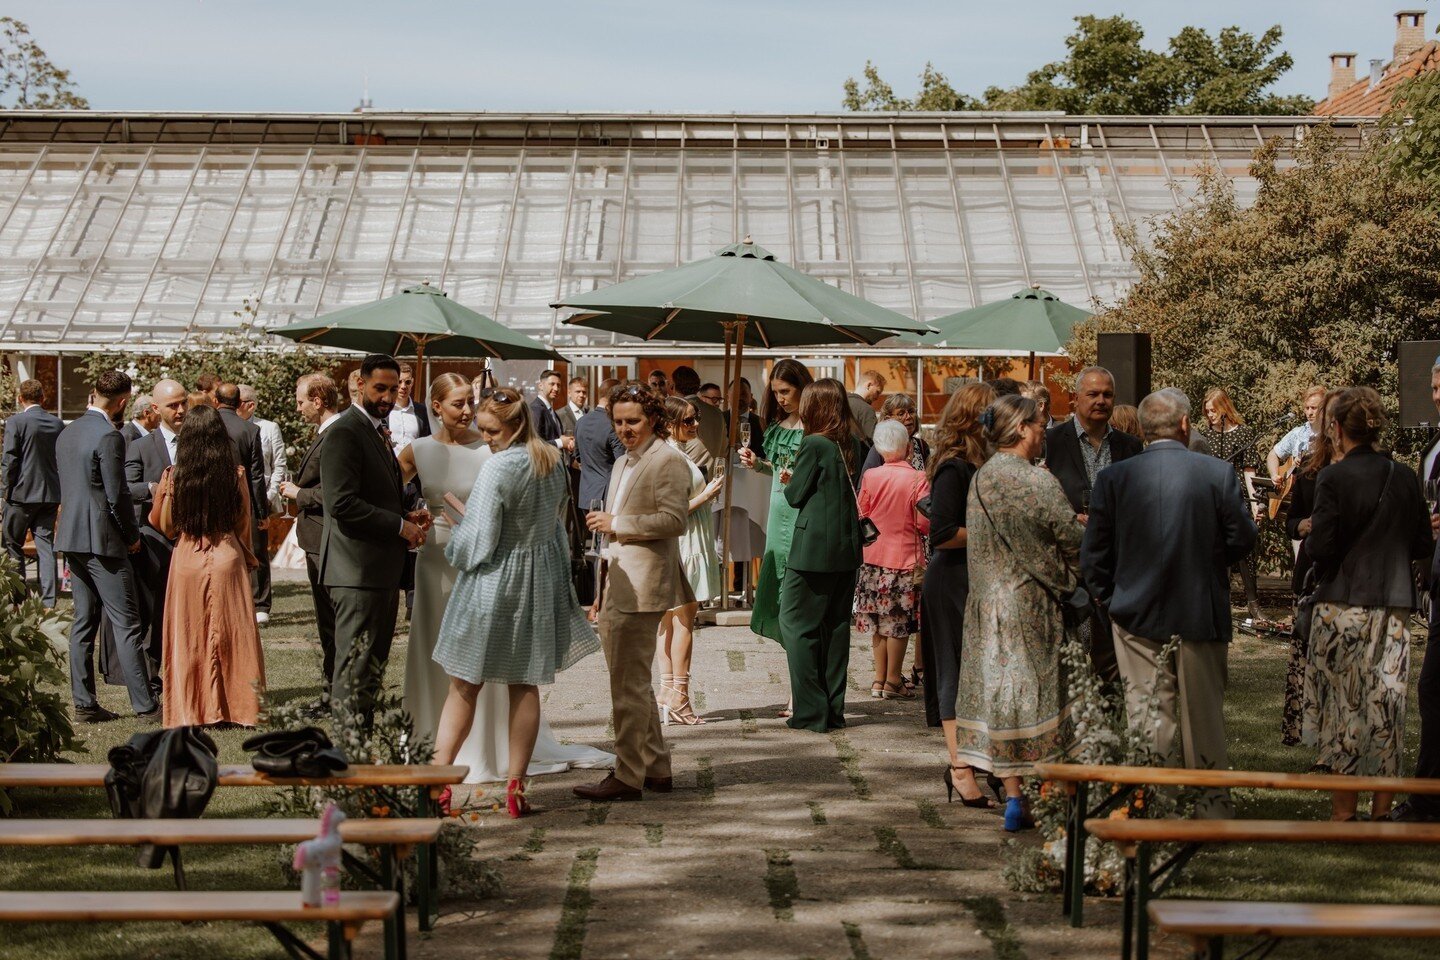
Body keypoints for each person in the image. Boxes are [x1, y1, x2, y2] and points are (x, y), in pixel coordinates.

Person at [1080, 388, 1257, 818]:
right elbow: (1243, 538)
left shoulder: (1114, 478)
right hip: (1199, 606)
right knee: (1203, 716)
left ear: (1141, 430)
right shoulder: (1216, 473)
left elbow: (1095, 551)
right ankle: (1213, 807)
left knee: (1147, 712)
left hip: (1133, 608)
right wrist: (1210, 564)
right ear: (1184, 425)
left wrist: (1106, 596)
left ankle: (1155, 804)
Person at [1302, 386, 1432, 821]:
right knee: (1386, 704)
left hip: (1343, 604)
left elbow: (1321, 547)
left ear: (1336, 429)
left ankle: (1343, 811)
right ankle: (1381, 808)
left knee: (1344, 705)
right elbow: (1421, 542)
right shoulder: (1405, 476)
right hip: (1394, 603)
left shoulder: (1332, 478)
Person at [957, 394, 1082, 832]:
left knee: (999, 699)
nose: (1045, 428)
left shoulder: (981, 479)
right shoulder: (1038, 481)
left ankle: (1013, 798)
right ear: (1022, 428)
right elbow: (1070, 538)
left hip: (985, 604)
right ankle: (1054, 797)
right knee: (1041, 698)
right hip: (1029, 605)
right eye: (1040, 422)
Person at [576, 383, 692, 802]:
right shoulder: (624, 461)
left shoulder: (667, 460)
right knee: (633, 682)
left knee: (626, 686)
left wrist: (617, 524)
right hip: (618, 579)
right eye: (619, 421)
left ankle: (627, 776)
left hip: (644, 585)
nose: (625, 429)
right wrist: (601, 587)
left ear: (654, 420)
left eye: (633, 421)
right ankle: (657, 768)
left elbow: (674, 520)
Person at [319, 354, 429, 722]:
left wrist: (406, 515)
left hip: (378, 572)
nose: (386, 396)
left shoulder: (375, 430)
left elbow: (375, 495)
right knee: (355, 667)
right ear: (360, 385)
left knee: (371, 667)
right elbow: (342, 503)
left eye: (392, 389)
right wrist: (399, 527)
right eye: (379, 388)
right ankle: (346, 756)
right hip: (356, 574)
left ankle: (359, 752)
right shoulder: (345, 431)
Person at [147, 404, 266, 727]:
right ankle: (238, 708)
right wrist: (248, 556)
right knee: (233, 635)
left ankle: (192, 708)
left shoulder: (174, 476)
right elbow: (244, 522)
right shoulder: (235, 474)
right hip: (227, 554)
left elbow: (166, 526)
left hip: (187, 558)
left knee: (189, 636)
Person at [55, 370, 159, 723]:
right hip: (102, 541)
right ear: (123, 401)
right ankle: (146, 706)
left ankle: (84, 703)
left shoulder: (66, 432)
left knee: (83, 623)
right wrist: (131, 538)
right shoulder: (109, 436)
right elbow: (117, 497)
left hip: (71, 537)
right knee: (127, 624)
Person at [920, 382, 996, 806]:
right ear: (976, 418)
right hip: (952, 580)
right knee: (955, 672)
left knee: (980, 676)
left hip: (976, 578)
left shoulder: (982, 463)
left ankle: (980, 762)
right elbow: (943, 533)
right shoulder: (955, 466)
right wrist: (998, 530)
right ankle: (959, 768)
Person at [1044, 366, 1142, 682]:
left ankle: (1109, 721)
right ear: (1075, 399)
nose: (1101, 400)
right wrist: (1067, 517)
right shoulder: (1051, 441)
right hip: (1066, 563)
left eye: (1107, 394)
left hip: (1113, 566)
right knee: (1067, 656)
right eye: (1093, 394)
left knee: (1110, 659)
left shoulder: (1130, 446)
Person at [778, 378, 864, 733]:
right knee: (836, 628)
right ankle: (832, 709)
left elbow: (796, 495)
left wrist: (788, 478)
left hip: (812, 549)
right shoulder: (854, 444)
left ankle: (811, 711)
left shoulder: (813, 443)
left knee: (795, 624)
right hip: (846, 549)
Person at [1392, 358, 1440, 823]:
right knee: (1432, 690)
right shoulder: (1432, 446)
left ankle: (1427, 801)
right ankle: (1428, 799)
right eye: (1437, 386)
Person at [657, 396, 724, 725]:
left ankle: (667, 691)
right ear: (670, 424)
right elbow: (672, 511)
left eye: (695, 418)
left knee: (666, 622)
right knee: (684, 621)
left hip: (676, 543)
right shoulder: (670, 456)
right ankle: (680, 698)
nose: (696, 424)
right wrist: (707, 495)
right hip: (686, 542)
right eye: (688, 421)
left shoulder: (670, 452)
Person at [1281, 389, 1342, 747]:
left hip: (1344, 575)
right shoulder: (1307, 469)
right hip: (1310, 572)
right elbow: (1291, 519)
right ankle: (1305, 730)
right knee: (1306, 656)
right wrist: (1300, 526)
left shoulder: (1357, 471)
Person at [738, 359, 814, 644]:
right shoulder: (777, 425)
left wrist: (793, 478)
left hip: (801, 511)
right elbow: (777, 467)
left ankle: (801, 644)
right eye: (776, 393)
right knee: (778, 574)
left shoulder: (814, 427)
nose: (780, 399)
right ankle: (790, 644)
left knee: (798, 582)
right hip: (777, 508)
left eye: (785, 391)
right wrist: (758, 464)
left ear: (802, 388)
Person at [855, 420, 929, 701]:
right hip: (904, 558)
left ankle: (878, 678)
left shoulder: (871, 476)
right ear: (909, 447)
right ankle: (894, 680)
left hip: (872, 557)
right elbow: (924, 522)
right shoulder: (917, 479)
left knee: (877, 622)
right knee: (898, 622)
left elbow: (862, 512)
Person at [279, 373, 340, 705]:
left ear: (318, 401)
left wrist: (297, 493)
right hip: (317, 538)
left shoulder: (334, 436)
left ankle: (333, 693)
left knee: (330, 621)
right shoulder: (326, 433)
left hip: (324, 540)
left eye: (301, 401)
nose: (298, 407)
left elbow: (335, 493)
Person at [124, 379, 187, 675]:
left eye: (183, 402)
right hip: (154, 539)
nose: (181, 410)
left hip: (192, 539)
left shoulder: (197, 441)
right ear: (155, 409)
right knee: (153, 609)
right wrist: (153, 488)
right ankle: (151, 675)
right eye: (173, 405)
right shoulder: (140, 446)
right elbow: (126, 486)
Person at [1200, 386, 1264, 620]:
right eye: (1207, 411)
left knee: (1245, 551)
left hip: (1237, 496)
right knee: (1217, 551)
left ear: (1224, 408)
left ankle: (1253, 603)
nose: (1210, 415)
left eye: (1213, 410)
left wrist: (1256, 502)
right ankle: (1219, 603)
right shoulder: (1205, 436)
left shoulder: (1243, 434)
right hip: (1211, 499)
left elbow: (1249, 471)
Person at [2, 378, 62, 607]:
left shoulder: (15, 422)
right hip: (49, 494)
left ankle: (19, 596)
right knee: (46, 547)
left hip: (20, 495)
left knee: (12, 544)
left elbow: (10, 459)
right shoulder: (56, 424)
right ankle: (49, 602)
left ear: (20, 398)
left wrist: (4, 492)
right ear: (42, 398)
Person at [215, 383, 270, 621]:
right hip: (242, 499)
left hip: (212, 498)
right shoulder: (249, 429)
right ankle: (258, 606)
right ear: (239, 404)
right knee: (250, 551)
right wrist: (262, 512)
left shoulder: (205, 425)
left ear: (215, 401)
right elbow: (256, 475)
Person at [238, 384, 285, 625]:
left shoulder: (268, 428)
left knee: (258, 549)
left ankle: (261, 604)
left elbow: (279, 465)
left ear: (250, 405)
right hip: (237, 498)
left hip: (260, 497)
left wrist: (268, 495)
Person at [576, 378, 625, 512]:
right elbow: (622, 462)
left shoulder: (581, 421)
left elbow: (578, 457)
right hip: (606, 496)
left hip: (585, 495)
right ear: (614, 397)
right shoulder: (612, 424)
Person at [860, 393, 930, 476]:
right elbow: (865, 484)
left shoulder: (922, 446)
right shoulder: (881, 449)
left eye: (911, 411)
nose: (908, 417)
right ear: (888, 419)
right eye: (901, 414)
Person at [1267, 386, 1326, 480]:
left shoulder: (1332, 433)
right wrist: (1274, 475)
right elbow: (1273, 454)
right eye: (1307, 408)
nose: (1309, 412)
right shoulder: (1298, 433)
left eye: (1314, 408)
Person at [387, 362, 431, 450]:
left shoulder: (422, 411)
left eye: (407, 382)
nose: (403, 386)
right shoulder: (384, 410)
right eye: (399, 382)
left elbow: (427, 440)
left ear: (412, 383)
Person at [528, 369, 573, 453]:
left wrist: (564, 441)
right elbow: (534, 444)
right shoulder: (536, 409)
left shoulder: (551, 411)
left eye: (558, 385)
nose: (556, 388)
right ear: (540, 385)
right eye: (552, 384)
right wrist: (560, 442)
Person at [848, 370, 885, 441]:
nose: (877, 398)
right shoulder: (866, 409)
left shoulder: (839, 402)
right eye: (877, 392)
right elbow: (874, 441)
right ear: (869, 385)